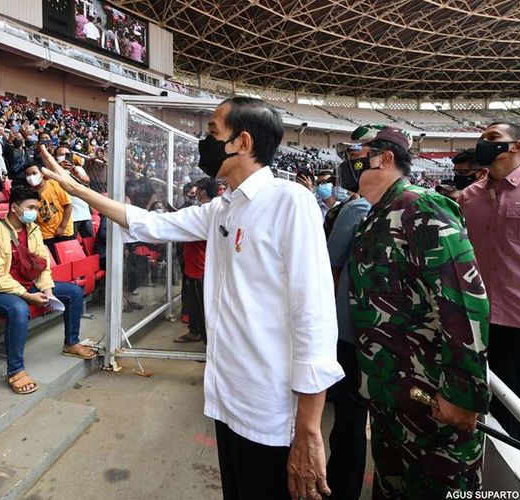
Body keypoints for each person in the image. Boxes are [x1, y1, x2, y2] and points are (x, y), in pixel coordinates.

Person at [41, 97, 343, 500]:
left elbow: (314, 317)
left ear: (242, 142)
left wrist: (308, 428)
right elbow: (151, 224)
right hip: (227, 398)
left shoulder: (290, 202)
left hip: (271, 410)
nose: (206, 141)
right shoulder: (222, 208)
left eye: (214, 132)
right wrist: (79, 190)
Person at [343, 124, 490, 497]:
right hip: (392, 395)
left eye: (356, 155)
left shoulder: (420, 206)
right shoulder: (377, 215)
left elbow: (464, 300)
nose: (348, 163)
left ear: (384, 159)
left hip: (433, 404)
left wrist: (462, 393)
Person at [458, 122, 520, 461]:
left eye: (493, 139)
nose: (484, 144)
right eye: (482, 138)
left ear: (519, 146)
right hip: (480, 323)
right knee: (490, 412)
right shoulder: (469, 197)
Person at [0, 187, 96, 395]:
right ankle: (15, 370)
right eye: (31, 207)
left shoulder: (33, 229)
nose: (35, 212)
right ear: (14, 207)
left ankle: (71, 343)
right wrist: (27, 295)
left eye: (36, 208)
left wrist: (47, 290)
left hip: (30, 284)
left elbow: (42, 264)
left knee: (73, 292)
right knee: (19, 309)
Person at [324, 144, 372, 500]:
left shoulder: (356, 208)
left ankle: (342, 487)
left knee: (349, 416)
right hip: (377, 334)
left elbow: (331, 262)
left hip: (349, 330)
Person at [173, 177, 220, 344]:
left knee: (201, 304)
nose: (196, 192)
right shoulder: (210, 209)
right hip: (195, 263)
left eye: (198, 189)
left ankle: (207, 341)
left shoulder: (206, 211)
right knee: (194, 302)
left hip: (199, 265)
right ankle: (195, 331)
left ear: (203, 192)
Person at [23, 163, 74, 254]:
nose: (31, 177)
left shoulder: (55, 185)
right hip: (45, 235)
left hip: (64, 231)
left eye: (34, 173)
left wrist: (62, 227)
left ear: (42, 174)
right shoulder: (28, 193)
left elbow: (68, 205)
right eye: (28, 175)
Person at [55, 146, 92, 238]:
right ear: (56, 157)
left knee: (89, 242)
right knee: (71, 242)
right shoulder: (54, 171)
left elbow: (87, 181)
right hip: (70, 217)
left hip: (84, 213)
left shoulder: (78, 169)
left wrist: (77, 174)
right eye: (61, 155)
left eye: (66, 154)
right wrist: (59, 168)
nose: (64, 157)